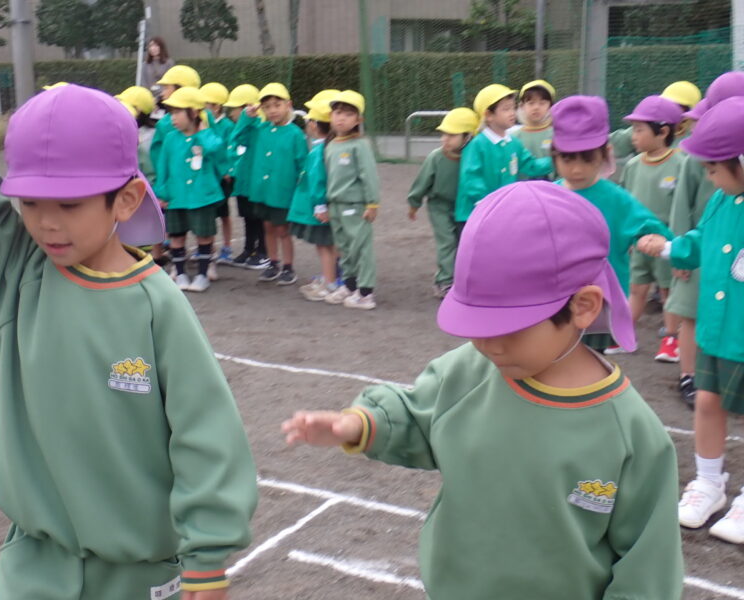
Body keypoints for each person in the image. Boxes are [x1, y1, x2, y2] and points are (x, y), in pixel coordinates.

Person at [283, 180, 683, 600]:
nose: (489, 344)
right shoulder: (468, 372)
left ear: (583, 306)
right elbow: (417, 416)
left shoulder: (632, 435)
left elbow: (648, 570)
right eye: (477, 324)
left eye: (508, 327)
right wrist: (359, 424)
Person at [0, 84, 257, 599]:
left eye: (70, 204)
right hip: (34, 568)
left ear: (126, 198)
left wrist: (208, 555)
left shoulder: (157, 306)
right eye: (29, 202)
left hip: (138, 576)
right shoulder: (16, 272)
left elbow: (205, 432)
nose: (46, 223)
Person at [637, 96, 744, 545]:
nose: (708, 177)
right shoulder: (722, 199)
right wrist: (667, 248)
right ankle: (709, 483)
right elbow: (700, 240)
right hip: (718, 330)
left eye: (714, 168)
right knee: (707, 402)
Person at [550, 95, 672, 353]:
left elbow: (653, 229)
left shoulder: (616, 199)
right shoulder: (548, 196)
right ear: (554, 155)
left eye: (586, 159)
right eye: (568, 159)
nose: (577, 169)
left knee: (592, 363)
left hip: (599, 303)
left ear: (605, 153)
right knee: (554, 359)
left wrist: (655, 240)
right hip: (554, 300)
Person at [620, 95, 687, 363]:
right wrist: (627, 238)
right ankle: (624, 334)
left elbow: (684, 208)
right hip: (639, 242)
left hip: (666, 242)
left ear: (663, 131)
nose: (633, 136)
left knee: (668, 291)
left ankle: (671, 338)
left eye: (639, 130)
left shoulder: (681, 163)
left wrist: (678, 245)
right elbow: (625, 204)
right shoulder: (633, 165)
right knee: (637, 288)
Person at [229, 82, 308, 285]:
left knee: (283, 230)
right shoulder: (260, 129)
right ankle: (273, 263)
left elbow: (302, 164)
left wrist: (301, 192)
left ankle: (288, 267)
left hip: (283, 192)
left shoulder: (295, 134)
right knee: (268, 227)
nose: (272, 110)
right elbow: (237, 137)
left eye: (277, 105)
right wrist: (247, 117)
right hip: (263, 192)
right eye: (267, 107)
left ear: (288, 104)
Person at [665, 97, 714, 408]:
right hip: (697, 250)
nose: (694, 126)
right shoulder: (694, 158)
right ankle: (689, 376)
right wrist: (679, 254)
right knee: (691, 314)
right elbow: (682, 206)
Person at [154, 87, 228, 292]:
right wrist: (162, 193)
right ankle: (181, 274)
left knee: (204, 235)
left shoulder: (206, 136)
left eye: (178, 112)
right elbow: (163, 168)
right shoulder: (170, 138)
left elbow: (217, 151)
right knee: (176, 235)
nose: (173, 118)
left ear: (194, 113)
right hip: (176, 195)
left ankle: (202, 275)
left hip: (202, 196)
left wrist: (203, 132)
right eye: (171, 112)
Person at [455, 84, 552, 229]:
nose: (512, 113)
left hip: (501, 214)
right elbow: (471, 178)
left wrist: (557, 159)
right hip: (473, 216)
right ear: (488, 115)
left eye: (513, 108)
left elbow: (531, 165)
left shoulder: (514, 143)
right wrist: (487, 203)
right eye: (506, 109)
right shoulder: (477, 145)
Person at [408, 107, 478, 298]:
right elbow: (422, 182)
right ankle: (444, 281)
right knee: (447, 242)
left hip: (462, 206)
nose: (445, 139)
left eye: (452, 135)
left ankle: (460, 279)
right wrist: (414, 203)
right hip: (439, 206)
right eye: (444, 134)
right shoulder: (436, 157)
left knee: (462, 242)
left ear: (467, 137)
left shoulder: (472, 157)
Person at [321, 90, 380, 310]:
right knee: (344, 248)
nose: (341, 118)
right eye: (338, 113)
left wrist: (372, 203)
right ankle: (350, 285)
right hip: (336, 205)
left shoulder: (360, 145)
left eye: (348, 114)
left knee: (360, 248)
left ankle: (366, 293)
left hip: (356, 206)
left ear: (358, 120)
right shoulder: (331, 145)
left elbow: (369, 175)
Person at [288, 90, 340, 302]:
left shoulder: (319, 151)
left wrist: (320, 206)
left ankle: (329, 283)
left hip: (321, 209)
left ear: (314, 125)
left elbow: (318, 180)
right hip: (328, 206)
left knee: (325, 246)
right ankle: (332, 279)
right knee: (330, 245)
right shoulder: (330, 147)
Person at [223, 84, 269, 269]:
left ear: (246, 107)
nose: (231, 113)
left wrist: (246, 120)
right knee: (248, 217)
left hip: (255, 183)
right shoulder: (243, 127)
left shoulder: (259, 127)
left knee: (259, 218)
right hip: (243, 182)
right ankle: (249, 249)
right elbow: (234, 141)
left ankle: (263, 251)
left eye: (234, 108)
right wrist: (244, 121)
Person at [200, 82, 235, 271]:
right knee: (209, 215)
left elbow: (227, 149)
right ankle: (209, 248)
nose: (205, 108)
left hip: (222, 177)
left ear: (217, 106)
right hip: (208, 175)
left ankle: (227, 247)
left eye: (208, 105)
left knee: (224, 214)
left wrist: (226, 170)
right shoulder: (203, 122)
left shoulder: (227, 125)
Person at [513, 79, 555, 180]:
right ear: (522, 106)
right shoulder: (514, 137)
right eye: (531, 103)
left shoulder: (556, 134)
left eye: (542, 103)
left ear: (550, 106)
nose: (536, 107)